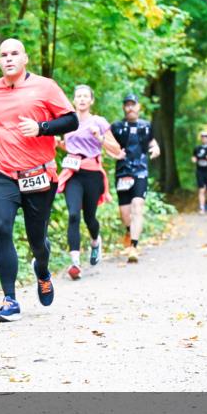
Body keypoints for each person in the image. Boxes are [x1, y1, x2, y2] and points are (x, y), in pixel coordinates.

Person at [0, 38, 78, 322]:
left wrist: (42, 127)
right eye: (3, 55)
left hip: (37, 174)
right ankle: (10, 300)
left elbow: (71, 121)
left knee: (36, 239)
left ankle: (42, 269)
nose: (9, 58)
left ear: (25, 58)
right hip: (0, 171)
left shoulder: (46, 87)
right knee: (1, 226)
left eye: (14, 53)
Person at [57, 85, 125, 280]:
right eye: (78, 96)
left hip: (92, 174)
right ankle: (75, 263)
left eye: (85, 96)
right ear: (73, 100)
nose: (82, 99)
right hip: (72, 173)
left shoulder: (99, 122)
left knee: (89, 218)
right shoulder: (67, 122)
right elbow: (71, 146)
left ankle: (95, 241)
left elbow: (116, 149)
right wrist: (59, 144)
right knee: (73, 215)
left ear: (91, 101)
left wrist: (99, 137)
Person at [109, 93, 160, 262]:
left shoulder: (146, 126)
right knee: (125, 213)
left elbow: (152, 142)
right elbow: (107, 145)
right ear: (124, 108)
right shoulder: (116, 127)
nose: (130, 108)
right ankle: (129, 231)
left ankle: (134, 247)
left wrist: (156, 149)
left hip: (140, 171)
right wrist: (113, 154)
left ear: (139, 107)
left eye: (133, 104)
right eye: (127, 105)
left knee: (137, 205)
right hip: (122, 172)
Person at [191, 131, 207, 214]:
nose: (204, 139)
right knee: (201, 189)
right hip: (200, 171)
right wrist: (194, 159)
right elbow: (193, 157)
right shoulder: (197, 148)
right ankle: (202, 207)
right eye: (203, 137)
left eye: (206, 137)